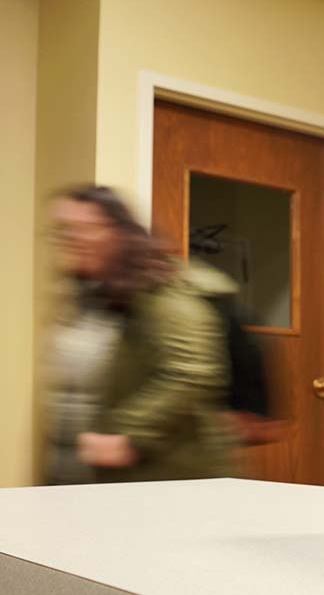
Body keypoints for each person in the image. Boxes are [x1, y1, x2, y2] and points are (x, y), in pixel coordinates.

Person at [44, 186, 236, 483]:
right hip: (91, 474)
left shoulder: (160, 292)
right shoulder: (92, 296)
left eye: (88, 228)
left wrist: (130, 437)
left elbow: (193, 372)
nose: (74, 240)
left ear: (121, 233)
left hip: (166, 479)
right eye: (65, 230)